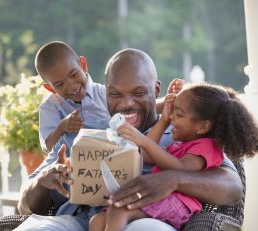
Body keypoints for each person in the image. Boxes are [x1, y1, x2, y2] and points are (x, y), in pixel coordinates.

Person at [17, 48, 243, 231]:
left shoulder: (182, 133)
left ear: (156, 90)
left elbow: (232, 187)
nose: (126, 104)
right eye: (115, 94)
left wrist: (174, 179)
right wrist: (44, 181)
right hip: (78, 221)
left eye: (137, 93)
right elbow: (24, 205)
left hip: (144, 219)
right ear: (105, 94)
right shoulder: (79, 131)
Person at [89, 82, 258, 231]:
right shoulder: (180, 145)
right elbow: (147, 155)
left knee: (118, 210)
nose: (172, 118)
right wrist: (163, 121)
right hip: (162, 198)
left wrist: (144, 141)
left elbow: (181, 168)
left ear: (202, 127)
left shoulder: (207, 147)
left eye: (179, 114)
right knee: (97, 221)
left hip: (178, 202)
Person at [35, 41, 182, 154]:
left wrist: (173, 100)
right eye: (60, 84)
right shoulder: (51, 107)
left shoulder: (103, 93)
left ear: (83, 65)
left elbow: (142, 108)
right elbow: (48, 148)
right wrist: (63, 126)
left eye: (73, 75)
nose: (71, 86)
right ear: (50, 88)